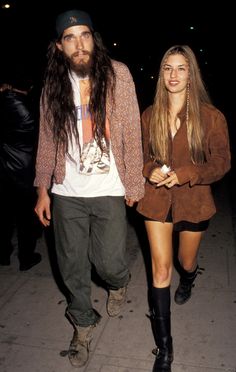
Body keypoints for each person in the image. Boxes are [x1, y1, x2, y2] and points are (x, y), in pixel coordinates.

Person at [34, 9, 144, 368]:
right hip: (68, 191)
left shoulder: (118, 75)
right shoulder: (53, 83)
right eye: (70, 38)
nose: (79, 44)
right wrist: (42, 189)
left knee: (109, 262)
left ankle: (119, 282)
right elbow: (46, 140)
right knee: (71, 266)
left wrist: (134, 183)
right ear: (59, 46)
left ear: (94, 39)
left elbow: (130, 131)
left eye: (84, 35)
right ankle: (82, 323)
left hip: (109, 186)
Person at [137, 45, 231, 372]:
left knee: (184, 261)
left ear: (191, 75)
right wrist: (148, 168)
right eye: (167, 68)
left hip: (194, 200)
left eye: (181, 69)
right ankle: (165, 351)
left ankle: (189, 278)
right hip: (156, 200)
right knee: (160, 271)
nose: (173, 75)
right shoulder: (150, 114)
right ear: (161, 74)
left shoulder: (211, 116)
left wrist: (189, 173)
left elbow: (222, 163)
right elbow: (140, 155)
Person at [0, 75, 42, 271]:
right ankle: (26, 258)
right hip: (25, 170)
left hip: (3, 169)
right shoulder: (29, 109)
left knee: (4, 215)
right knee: (26, 217)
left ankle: (3, 254)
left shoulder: (3, 102)